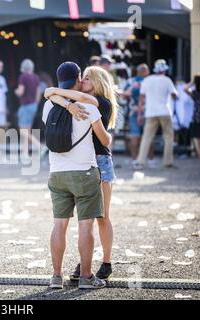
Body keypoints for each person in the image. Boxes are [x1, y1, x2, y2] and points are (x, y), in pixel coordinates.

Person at [45, 65, 118, 281]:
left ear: (98, 82)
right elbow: (51, 95)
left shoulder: (100, 103)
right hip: (84, 164)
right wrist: (64, 101)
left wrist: (56, 93)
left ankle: (106, 262)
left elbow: (52, 94)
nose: (83, 81)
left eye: (88, 78)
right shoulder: (79, 101)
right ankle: (85, 264)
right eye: (82, 78)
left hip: (100, 160)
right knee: (87, 219)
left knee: (102, 216)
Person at [134, 59, 178, 169]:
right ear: (165, 70)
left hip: (150, 112)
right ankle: (168, 162)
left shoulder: (147, 80)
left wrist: (139, 114)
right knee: (168, 137)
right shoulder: (167, 80)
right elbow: (174, 95)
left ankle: (140, 161)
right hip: (165, 111)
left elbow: (141, 99)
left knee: (147, 137)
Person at [124, 64, 155, 166]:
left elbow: (125, 95)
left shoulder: (131, 82)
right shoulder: (150, 81)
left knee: (134, 137)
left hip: (134, 111)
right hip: (148, 112)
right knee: (148, 137)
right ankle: (151, 160)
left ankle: (135, 161)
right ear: (146, 72)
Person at [15, 59, 41, 155]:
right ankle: (24, 153)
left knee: (22, 131)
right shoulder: (36, 77)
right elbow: (38, 93)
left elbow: (21, 91)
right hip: (33, 105)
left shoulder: (23, 77)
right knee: (27, 131)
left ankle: (38, 145)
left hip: (25, 105)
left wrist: (16, 91)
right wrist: (35, 104)